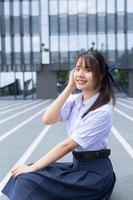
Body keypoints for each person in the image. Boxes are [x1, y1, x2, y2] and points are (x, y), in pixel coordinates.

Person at [2, 50, 116, 200]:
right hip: (77, 166)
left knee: (29, 177)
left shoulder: (103, 111)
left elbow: (66, 146)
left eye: (88, 70)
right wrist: (69, 88)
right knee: (22, 174)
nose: (80, 74)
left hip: (95, 176)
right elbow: (47, 119)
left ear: (101, 75)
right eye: (77, 68)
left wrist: (33, 168)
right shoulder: (74, 100)